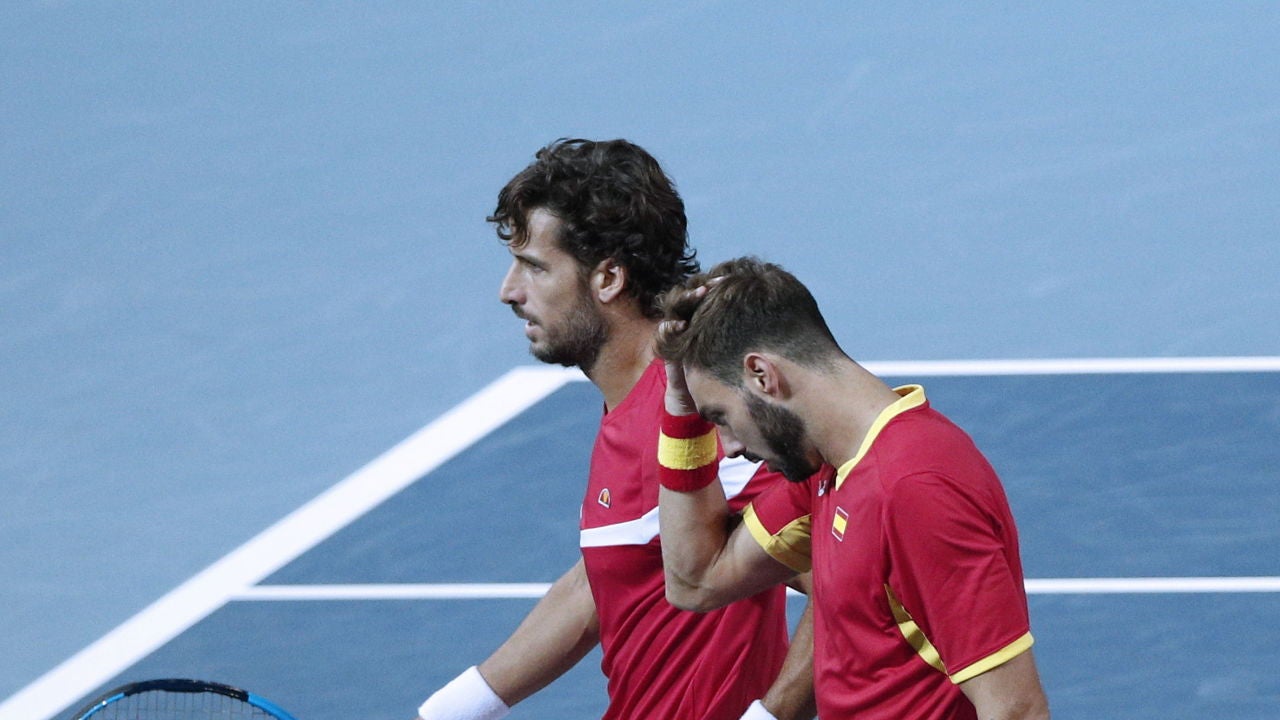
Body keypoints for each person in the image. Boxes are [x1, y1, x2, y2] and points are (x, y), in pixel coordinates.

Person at [415, 141, 816, 720]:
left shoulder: (701, 423)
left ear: (607, 278)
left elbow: (846, 574)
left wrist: (771, 717)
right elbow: (601, 580)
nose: (509, 291)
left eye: (534, 266)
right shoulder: (634, 406)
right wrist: (450, 711)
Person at [652, 257, 1051, 719]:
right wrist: (680, 405)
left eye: (720, 416)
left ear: (762, 375)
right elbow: (696, 581)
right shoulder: (832, 469)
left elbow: (1017, 710)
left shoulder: (913, 486)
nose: (731, 447)